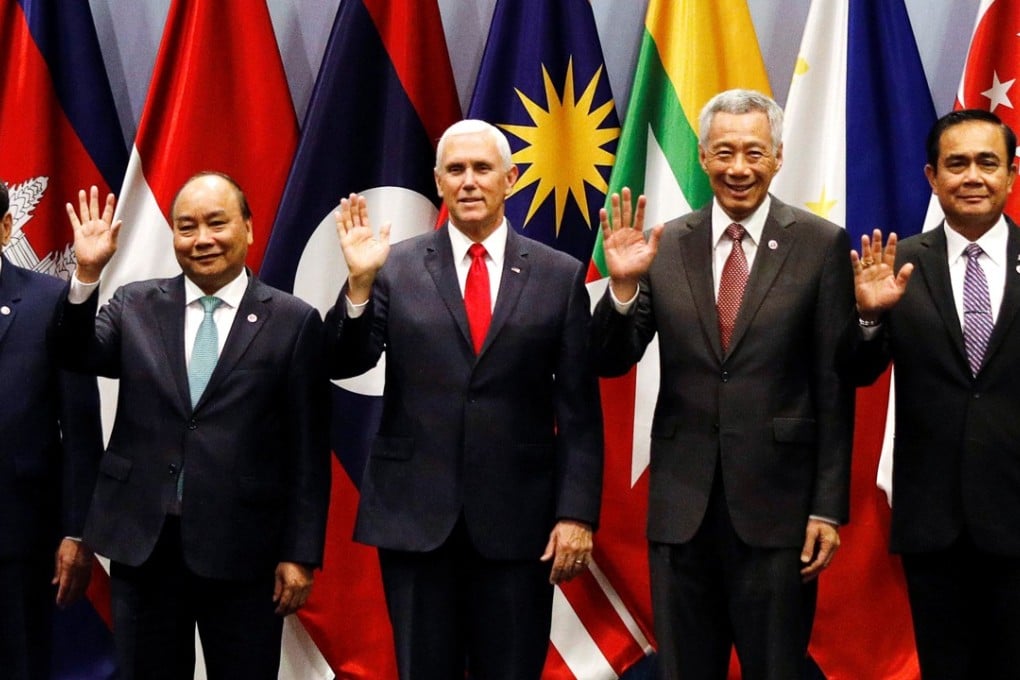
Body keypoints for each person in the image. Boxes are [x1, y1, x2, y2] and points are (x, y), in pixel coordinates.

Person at [591, 89, 855, 679]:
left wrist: (827, 508)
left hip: (780, 511)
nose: (740, 168)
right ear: (704, 157)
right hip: (683, 510)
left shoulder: (820, 244)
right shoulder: (663, 245)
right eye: (725, 152)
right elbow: (612, 358)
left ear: (779, 157)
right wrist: (623, 289)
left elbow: (833, 387)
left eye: (755, 152)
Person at [325, 119, 603, 679]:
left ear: (511, 179)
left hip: (519, 521)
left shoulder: (558, 275)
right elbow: (345, 361)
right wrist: (357, 286)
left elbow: (578, 412)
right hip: (416, 518)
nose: (469, 181)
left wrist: (575, 514)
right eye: (456, 170)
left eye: (482, 169)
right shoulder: (391, 268)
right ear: (438, 182)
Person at [56, 172, 330, 679]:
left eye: (216, 223)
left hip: (245, 551)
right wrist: (87, 276)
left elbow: (309, 451)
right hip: (144, 544)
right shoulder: (134, 305)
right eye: (186, 227)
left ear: (248, 228)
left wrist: (301, 552)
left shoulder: (293, 322)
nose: (201, 239)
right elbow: (75, 352)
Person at [851, 108, 1020, 678]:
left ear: (1011, 175)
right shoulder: (895, 266)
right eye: (957, 164)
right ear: (932, 176)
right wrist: (869, 321)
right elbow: (855, 372)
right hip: (935, 521)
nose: (972, 176)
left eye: (987, 163)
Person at [0, 180, 103, 680]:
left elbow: (80, 425)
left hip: (18, 538)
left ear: (5, 229)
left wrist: (77, 529)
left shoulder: (49, 301)